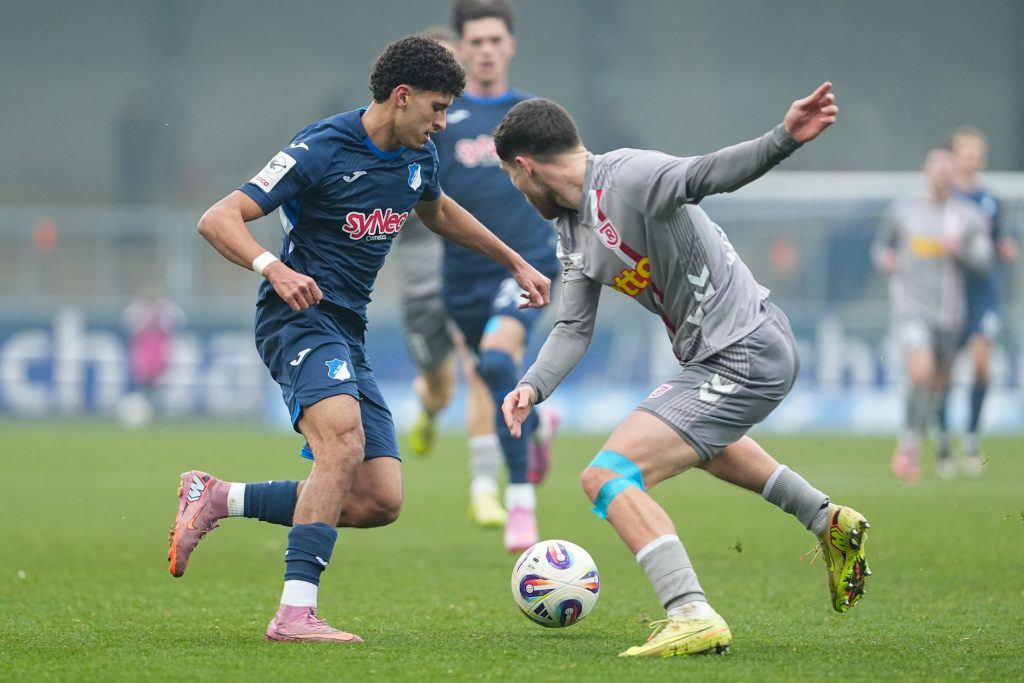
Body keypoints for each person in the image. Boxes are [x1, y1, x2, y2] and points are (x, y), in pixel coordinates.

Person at [168, 35, 550, 644]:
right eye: (437, 108)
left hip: (347, 330)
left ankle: (218, 497)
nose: (442, 122)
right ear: (402, 97)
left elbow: (439, 211)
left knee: (378, 500)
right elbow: (218, 218)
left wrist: (515, 261)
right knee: (342, 445)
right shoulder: (321, 146)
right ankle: (295, 614)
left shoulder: (420, 157)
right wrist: (274, 267)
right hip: (296, 317)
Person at [495, 84, 871, 657]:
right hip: (720, 356)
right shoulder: (571, 228)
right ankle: (827, 520)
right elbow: (573, 326)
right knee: (707, 445)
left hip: (744, 350)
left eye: (512, 179)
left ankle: (690, 612)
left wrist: (784, 138)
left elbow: (707, 173)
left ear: (525, 166)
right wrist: (532, 385)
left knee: (607, 476)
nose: (519, 192)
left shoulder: (627, 177)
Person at [435, 0, 562, 553]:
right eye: (476, 42)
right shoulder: (442, 118)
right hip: (461, 277)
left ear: (510, 46)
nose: (486, 51)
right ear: (461, 48)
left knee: (493, 361)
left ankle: (520, 502)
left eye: (495, 41)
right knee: (494, 379)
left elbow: (567, 182)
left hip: (528, 264)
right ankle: (534, 426)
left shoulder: (532, 116)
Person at [391, 25, 507, 529]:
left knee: (479, 367)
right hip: (420, 278)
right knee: (439, 387)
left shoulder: (471, 128)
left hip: (466, 267)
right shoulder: (402, 135)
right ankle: (429, 410)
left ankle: (483, 488)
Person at [875, 149, 992, 483]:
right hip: (912, 309)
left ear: (953, 176)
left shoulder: (967, 216)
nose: (942, 176)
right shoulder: (903, 211)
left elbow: (984, 260)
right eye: (937, 170)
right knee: (921, 372)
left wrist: (963, 251)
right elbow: (882, 247)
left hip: (950, 314)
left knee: (939, 385)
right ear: (926, 172)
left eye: (947, 171)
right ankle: (909, 444)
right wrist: (886, 259)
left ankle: (917, 436)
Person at [937, 126, 1017, 474]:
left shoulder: (991, 200)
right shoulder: (944, 197)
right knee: (945, 371)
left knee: (982, 364)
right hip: (949, 293)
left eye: (976, 150)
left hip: (983, 293)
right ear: (954, 155)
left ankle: (970, 438)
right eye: (964, 149)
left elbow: (998, 240)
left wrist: (1004, 248)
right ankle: (943, 440)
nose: (971, 155)